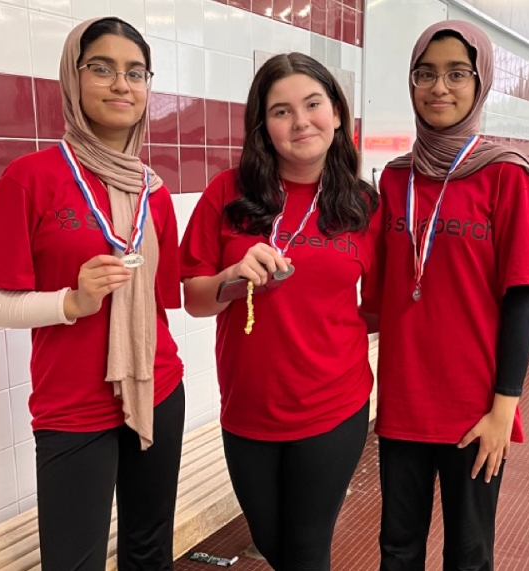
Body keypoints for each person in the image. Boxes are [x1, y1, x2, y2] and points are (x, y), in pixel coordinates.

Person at [0, 17, 184, 571]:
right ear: (72, 77)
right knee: (74, 560)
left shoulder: (151, 190)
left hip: (156, 387)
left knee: (150, 548)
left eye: (135, 72)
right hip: (73, 406)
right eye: (102, 68)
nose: (121, 84)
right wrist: (71, 302)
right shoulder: (30, 178)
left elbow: (162, 299)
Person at [179, 52, 380, 571]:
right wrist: (230, 278)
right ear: (263, 126)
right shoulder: (229, 194)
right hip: (248, 409)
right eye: (281, 111)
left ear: (337, 114)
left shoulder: (363, 206)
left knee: (306, 549)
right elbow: (194, 301)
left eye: (313, 104)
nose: (301, 122)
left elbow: (379, 309)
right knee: (271, 542)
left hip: (333, 405)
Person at [362, 21, 529, 571]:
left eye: (456, 74)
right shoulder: (396, 180)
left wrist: (503, 408)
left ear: (480, 82)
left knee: (468, 553)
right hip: (403, 403)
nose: (438, 87)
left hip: (476, 410)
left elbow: (521, 297)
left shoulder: (505, 176)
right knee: (398, 549)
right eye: (425, 73)